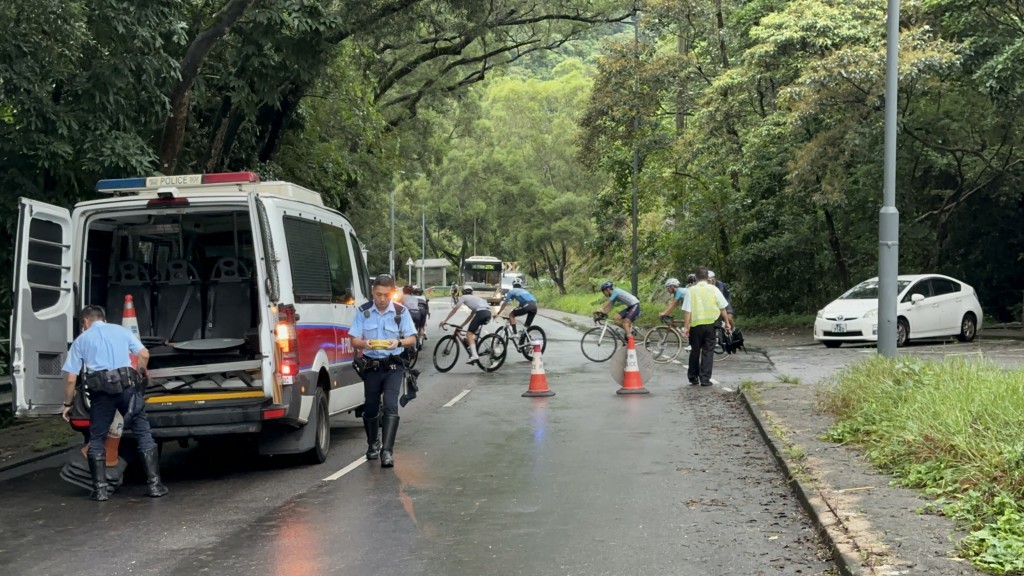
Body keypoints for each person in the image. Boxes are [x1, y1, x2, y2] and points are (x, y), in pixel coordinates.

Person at [60, 305, 168, 501]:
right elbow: (144, 354)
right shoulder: (121, 331)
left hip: (101, 393)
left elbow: (70, 379)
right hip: (127, 387)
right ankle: (155, 486)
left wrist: (67, 404)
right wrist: (139, 372)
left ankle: (100, 490)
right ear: (103, 318)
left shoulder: (80, 341)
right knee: (142, 431)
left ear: (85, 321)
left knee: (97, 437)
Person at [349, 275, 418, 468]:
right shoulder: (363, 312)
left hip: (393, 366)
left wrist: (399, 342)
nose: (382, 299)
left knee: (390, 405)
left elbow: (412, 338)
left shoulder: (400, 312)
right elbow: (353, 339)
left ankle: (387, 451)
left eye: (386, 295)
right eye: (378, 294)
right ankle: (373, 444)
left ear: (393, 293)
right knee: (370, 406)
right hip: (372, 366)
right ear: (373, 292)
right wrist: (364, 343)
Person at [682, 267, 732, 387]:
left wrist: (686, 327)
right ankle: (705, 379)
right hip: (711, 325)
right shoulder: (714, 289)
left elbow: (688, 311)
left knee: (695, 350)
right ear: (707, 277)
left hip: (695, 326)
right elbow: (722, 308)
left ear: (696, 277)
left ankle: (693, 377)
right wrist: (727, 323)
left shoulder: (691, 290)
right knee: (708, 351)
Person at [439, 285, 492, 364]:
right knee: (472, 334)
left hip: (480, 313)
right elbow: (471, 316)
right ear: (471, 292)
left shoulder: (464, 297)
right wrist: (462, 326)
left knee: (469, 334)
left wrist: (445, 320)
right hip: (488, 313)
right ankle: (473, 348)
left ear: (463, 292)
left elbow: (455, 309)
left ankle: (474, 355)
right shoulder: (476, 299)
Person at [495, 281, 537, 345]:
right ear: (520, 286)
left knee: (511, 315)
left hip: (527, 305)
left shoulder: (512, 291)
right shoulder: (524, 291)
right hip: (534, 306)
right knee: (526, 328)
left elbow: (505, 303)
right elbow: (522, 304)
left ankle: (515, 333)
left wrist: (499, 312)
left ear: (513, 286)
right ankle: (527, 344)